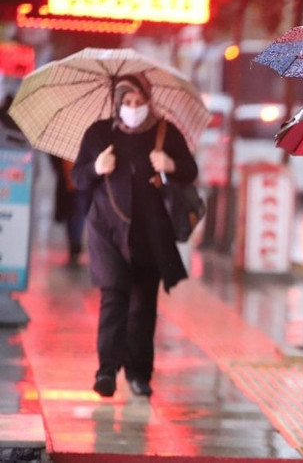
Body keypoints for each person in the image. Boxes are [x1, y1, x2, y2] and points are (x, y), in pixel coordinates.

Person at [72, 72, 198, 398]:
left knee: (143, 306)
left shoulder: (165, 132)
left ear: (149, 100)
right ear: (117, 103)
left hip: (150, 232)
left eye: (139, 102)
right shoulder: (100, 133)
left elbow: (190, 170)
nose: (133, 107)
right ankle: (106, 371)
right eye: (127, 102)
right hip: (106, 231)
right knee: (113, 298)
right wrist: (96, 168)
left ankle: (139, 374)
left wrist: (169, 164)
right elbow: (79, 177)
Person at [49, 155, 90, 265]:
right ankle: (74, 245)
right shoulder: (60, 153)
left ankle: (75, 245)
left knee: (76, 214)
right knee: (72, 216)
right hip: (69, 184)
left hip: (79, 185)